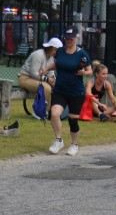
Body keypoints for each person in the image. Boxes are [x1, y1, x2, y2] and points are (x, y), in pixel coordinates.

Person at [42, 26, 91, 156]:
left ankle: (74, 144)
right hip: (60, 90)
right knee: (54, 114)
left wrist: (84, 73)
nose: (69, 41)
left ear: (76, 38)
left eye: (71, 39)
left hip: (76, 92)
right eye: (67, 39)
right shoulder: (60, 52)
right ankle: (58, 140)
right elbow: (57, 64)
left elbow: (89, 70)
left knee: (72, 121)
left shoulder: (82, 54)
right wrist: (46, 69)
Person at [17, 37, 61, 112]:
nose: (57, 53)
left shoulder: (51, 58)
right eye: (56, 50)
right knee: (46, 88)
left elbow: (50, 74)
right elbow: (33, 73)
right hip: (25, 78)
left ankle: (55, 110)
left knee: (58, 87)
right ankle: (45, 112)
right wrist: (47, 79)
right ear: (52, 49)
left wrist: (53, 80)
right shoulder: (39, 54)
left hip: (37, 79)